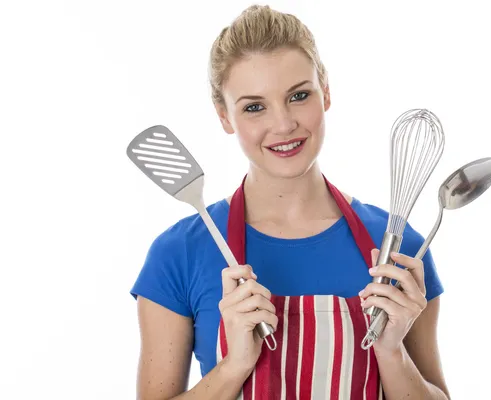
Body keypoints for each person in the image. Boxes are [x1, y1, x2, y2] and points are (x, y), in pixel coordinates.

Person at [130, 4, 450, 400]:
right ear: (224, 117)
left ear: (326, 92)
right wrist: (236, 366)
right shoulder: (179, 254)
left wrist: (391, 352)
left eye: (299, 96)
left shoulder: (400, 250)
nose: (283, 124)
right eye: (254, 107)